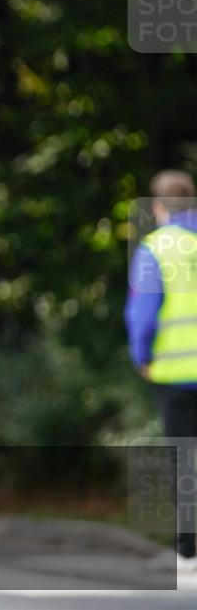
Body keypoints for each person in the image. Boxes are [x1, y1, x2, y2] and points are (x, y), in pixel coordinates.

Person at [125, 169, 197, 573]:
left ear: (157, 207)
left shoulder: (158, 249)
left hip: (178, 375)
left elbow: (143, 315)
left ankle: (188, 551)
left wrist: (142, 356)